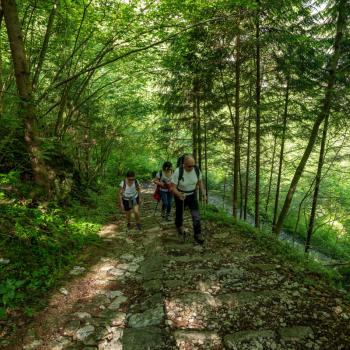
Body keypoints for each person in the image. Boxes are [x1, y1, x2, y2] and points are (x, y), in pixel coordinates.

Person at [171, 155, 207, 244]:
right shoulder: (178, 172)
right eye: (189, 166)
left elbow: (200, 182)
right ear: (184, 164)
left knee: (196, 215)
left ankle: (197, 234)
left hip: (192, 194)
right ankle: (179, 226)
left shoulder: (196, 170)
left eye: (193, 165)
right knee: (180, 212)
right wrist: (179, 194)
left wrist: (203, 193)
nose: (192, 167)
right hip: (180, 194)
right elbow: (173, 188)